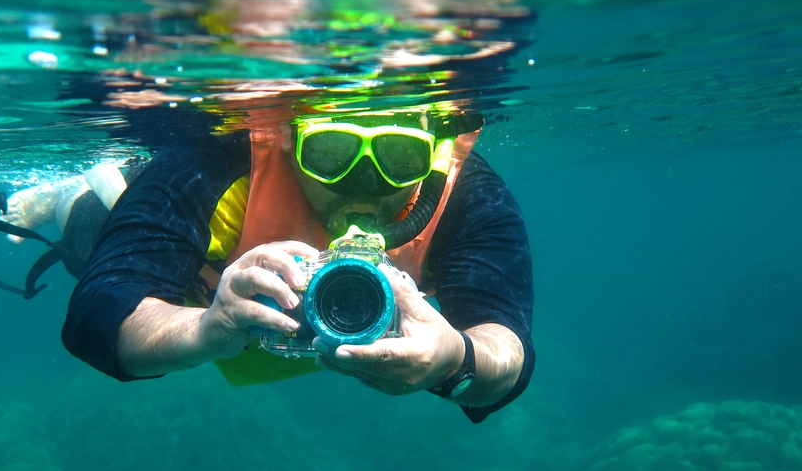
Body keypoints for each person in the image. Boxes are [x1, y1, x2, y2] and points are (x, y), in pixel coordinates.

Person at [60, 99, 534, 423]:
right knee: (83, 239)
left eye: (399, 156)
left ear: (431, 151)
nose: (364, 183)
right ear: (288, 136)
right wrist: (203, 329)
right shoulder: (218, 159)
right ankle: (71, 195)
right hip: (190, 286)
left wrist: (457, 361)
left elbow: (507, 344)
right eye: (330, 152)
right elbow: (98, 312)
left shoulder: (467, 196)